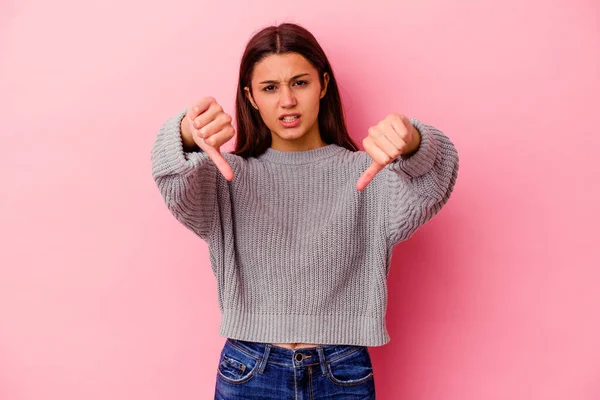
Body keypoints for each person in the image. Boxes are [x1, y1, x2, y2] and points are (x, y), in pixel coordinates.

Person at [151, 22, 459, 400]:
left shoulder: (371, 172)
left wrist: (412, 140)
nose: (287, 101)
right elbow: (172, 181)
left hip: (342, 368)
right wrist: (185, 132)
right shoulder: (225, 177)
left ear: (323, 85)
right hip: (250, 367)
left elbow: (435, 178)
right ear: (250, 97)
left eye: (300, 83)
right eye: (270, 88)